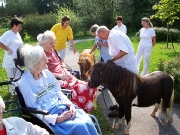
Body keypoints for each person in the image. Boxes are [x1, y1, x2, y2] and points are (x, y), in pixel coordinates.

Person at [18, 45, 99, 135]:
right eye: (44, 59)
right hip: (50, 117)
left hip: (63, 107)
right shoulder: (25, 83)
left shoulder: (47, 73)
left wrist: (70, 105)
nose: (48, 61)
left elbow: (58, 92)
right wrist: (58, 118)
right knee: (80, 126)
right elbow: (35, 111)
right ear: (35, 64)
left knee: (87, 121)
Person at [37, 30, 97, 113]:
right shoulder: (41, 55)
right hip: (55, 79)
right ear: (43, 44)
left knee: (88, 86)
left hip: (64, 74)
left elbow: (60, 62)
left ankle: (86, 106)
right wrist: (59, 76)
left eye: (54, 42)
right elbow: (44, 71)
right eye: (51, 43)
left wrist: (66, 71)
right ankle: (80, 108)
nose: (53, 45)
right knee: (81, 88)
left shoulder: (52, 50)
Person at [96, 26, 138, 117]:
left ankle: (121, 110)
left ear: (103, 32)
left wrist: (112, 60)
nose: (101, 39)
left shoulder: (115, 35)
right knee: (119, 88)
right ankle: (119, 105)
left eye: (101, 36)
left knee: (123, 89)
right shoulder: (111, 36)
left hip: (127, 66)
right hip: (121, 65)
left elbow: (124, 51)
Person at [0, 18, 23, 95]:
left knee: (18, 76)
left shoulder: (17, 34)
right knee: (12, 77)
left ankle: (18, 91)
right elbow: (0, 42)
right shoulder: (8, 34)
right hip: (10, 60)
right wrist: (8, 49)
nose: (21, 28)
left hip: (18, 59)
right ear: (14, 25)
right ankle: (12, 92)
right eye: (19, 26)